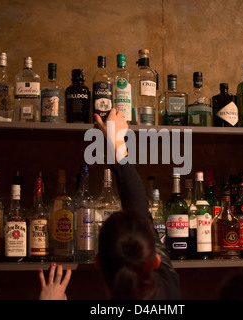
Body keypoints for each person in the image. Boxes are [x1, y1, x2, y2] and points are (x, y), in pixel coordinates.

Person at [39, 108, 181, 300]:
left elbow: (140, 212)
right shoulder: (169, 290)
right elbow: (140, 212)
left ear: (97, 262)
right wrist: (117, 143)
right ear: (155, 261)